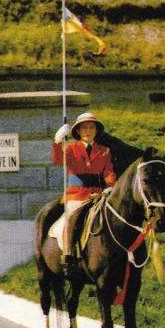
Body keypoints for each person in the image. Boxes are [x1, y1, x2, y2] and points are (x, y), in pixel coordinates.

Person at [50, 112, 116, 276]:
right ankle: (68, 256)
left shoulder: (104, 151)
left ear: (96, 130)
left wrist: (110, 186)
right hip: (77, 195)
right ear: (78, 131)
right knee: (71, 218)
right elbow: (58, 159)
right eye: (84, 128)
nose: (88, 131)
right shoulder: (71, 148)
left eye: (91, 127)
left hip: (98, 194)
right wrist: (57, 141)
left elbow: (108, 172)